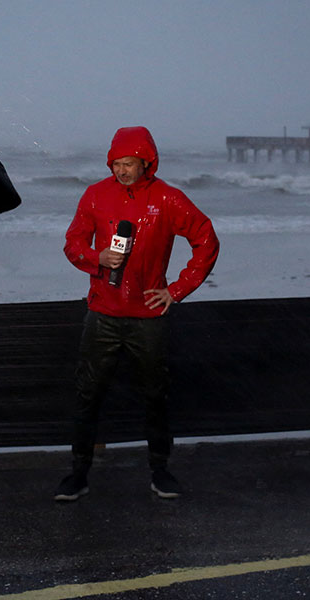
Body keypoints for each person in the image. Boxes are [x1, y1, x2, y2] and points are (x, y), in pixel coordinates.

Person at [56, 126, 219, 501]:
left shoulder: (167, 199)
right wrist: (96, 258)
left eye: (129, 163)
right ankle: (78, 474)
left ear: (147, 162)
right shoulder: (96, 195)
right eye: (116, 163)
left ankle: (160, 471)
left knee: (155, 395)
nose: (122, 171)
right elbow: (72, 243)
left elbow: (206, 238)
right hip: (103, 313)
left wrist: (177, 290)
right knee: (88, 394)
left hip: (148, 315)